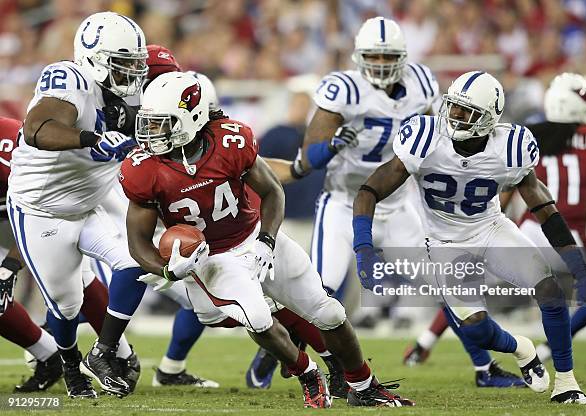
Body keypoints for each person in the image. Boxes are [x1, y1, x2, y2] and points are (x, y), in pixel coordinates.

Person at [254, 15, 523, 389]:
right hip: (345, 201)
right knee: (317, 293)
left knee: (446, 285)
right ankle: (275, 353)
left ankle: (485, 368)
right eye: (374, 57)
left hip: (397, 204)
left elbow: (438, 138)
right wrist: (333, 144)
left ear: (402, 56)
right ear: (359, 57)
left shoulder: (422, 83)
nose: (381, 64)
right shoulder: (342, 90)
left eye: (388, 57)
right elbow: (308, 154)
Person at [120, 71, 414, 408]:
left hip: (254, 238)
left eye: (161, 123)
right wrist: (168, 270)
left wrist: (267, 240)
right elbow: (137, 242)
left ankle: (364, 386)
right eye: (149, 122)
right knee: (257, 318)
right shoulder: (143, 168)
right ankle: (307, 374)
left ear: (193, 116)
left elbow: (272, 191)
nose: (149, 132)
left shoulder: (229, 141)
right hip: (213, 258)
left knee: (329, 311)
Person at [353, 70, 586, 404]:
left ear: (488, 119)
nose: (453, 115)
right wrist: (364, 247)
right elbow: (369, 190)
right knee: (478, 330)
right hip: (443, 243)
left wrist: (579, 268)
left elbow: (544, 208)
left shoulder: (510, 146)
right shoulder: (426, 137)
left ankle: (567, 384)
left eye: (464, 111)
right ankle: (522, 349)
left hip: (491, 229)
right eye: (452, 106)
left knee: (549, 290)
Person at [7, 12, 147, 398]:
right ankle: (70, 367)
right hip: (41, 211)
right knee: (68, 307)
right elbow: (37, 129)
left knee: (136, 265)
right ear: (94, 58)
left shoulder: (131, 93)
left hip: (89, 205)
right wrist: (91, 138)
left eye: (136, 63)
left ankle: (102, 353)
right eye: (123, 64)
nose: (133, 72)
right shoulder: (72, 79)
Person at [518, 73, 586, 359]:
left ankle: (427, 341)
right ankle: (569, 332)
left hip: (529, 235)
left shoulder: (528, 134)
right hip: (575, 242)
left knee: (468, 286)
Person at [0, 117, 62, 393]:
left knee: (75, 286)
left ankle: (115, 354)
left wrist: (11, 265)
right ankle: (50, 355)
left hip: (53, 208)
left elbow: (46, 209)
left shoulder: (10, 142)